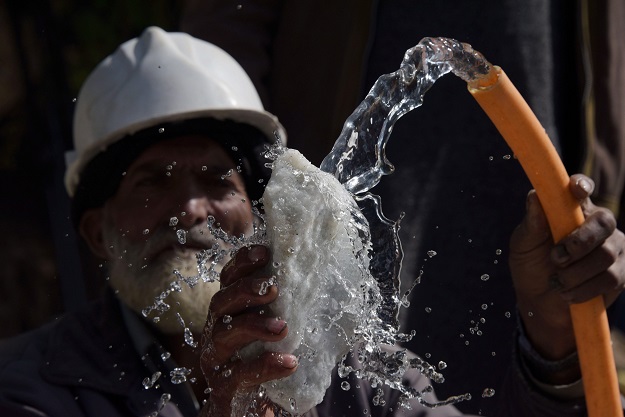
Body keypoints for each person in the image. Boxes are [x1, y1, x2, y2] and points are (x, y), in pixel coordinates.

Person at [0, 26, 623, 417]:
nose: (190, 210)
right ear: (95, 234)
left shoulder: (344, 369)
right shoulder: (29, 390)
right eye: (152, 183)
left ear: (261, 211)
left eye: (218, 180)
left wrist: (552, 329)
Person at [179, 1, 625, 411]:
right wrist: (240, 170)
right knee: (342, 364)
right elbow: (228, 25)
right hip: (336, 183)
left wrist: (555, 335)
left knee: (510, 347)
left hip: (529, 178)